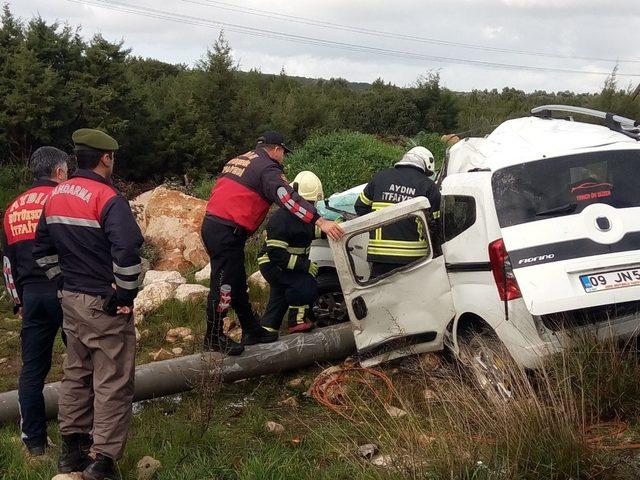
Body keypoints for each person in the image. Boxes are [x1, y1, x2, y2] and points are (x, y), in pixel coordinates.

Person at [34, 129, 144, 480]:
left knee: (76, 375)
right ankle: (102, 462)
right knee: (112, 380)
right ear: (105, 158)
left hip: (72, 301)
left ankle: (71, 452)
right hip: (103, 303)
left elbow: (42, 250)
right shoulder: (107, 198)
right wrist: (125, 296)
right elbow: (127, 251)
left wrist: (63, 283)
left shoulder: (55, 196)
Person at [202, 131, 343, 355]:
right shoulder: (267, 168)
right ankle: (213, 336)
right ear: (276, 149)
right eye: (284, 153)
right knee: (224, 285)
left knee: (236, 283)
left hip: (218, 226)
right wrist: (320, 221)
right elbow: (287, 198)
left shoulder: (241, 159)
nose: (283, 158)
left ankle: (252, 330)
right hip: (226, 230)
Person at [1, 147, 68, 457]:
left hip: (31, 296)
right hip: (67, 291)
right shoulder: (63, 198)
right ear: (58, 172)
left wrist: (17, 302)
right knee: (85, 364)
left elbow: (6, 263)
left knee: (32, 372)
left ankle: (35, 443)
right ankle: (87, 435)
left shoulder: (13, 208)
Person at [354, 146, 441, 278]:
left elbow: (360, 206)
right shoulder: (428, 186)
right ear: (424, 165)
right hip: (414, 257)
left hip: (380, 256)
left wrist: (377, 223)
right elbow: (436, 225)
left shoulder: (380, 178)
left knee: (379, 296)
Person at [259, 171, 326, 336]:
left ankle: (267, 331)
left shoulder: (303, 217)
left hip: (281, 263)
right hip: (272, 264)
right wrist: (304, 265)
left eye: (312, 203)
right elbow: (276, 254)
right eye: (308, 202)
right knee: (305, 284)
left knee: (279, 296)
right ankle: (296, 322)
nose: (311, 206)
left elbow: (312, 231)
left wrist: (335, 227)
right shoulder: (281, 220)